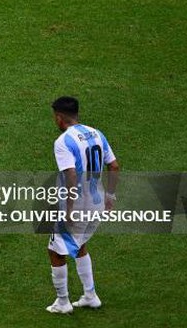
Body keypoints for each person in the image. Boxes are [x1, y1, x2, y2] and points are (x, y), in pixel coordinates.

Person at [46, 96, 120, 314]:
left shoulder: (63, 142)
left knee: (55, 251)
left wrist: (69, 210)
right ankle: (90, 295)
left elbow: (70, 175)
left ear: (59, 118)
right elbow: (114, 166)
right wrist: (111, 196)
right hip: (96, 204)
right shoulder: (97, 133)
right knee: (79, 246)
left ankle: (62, 302)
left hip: (77, 206)